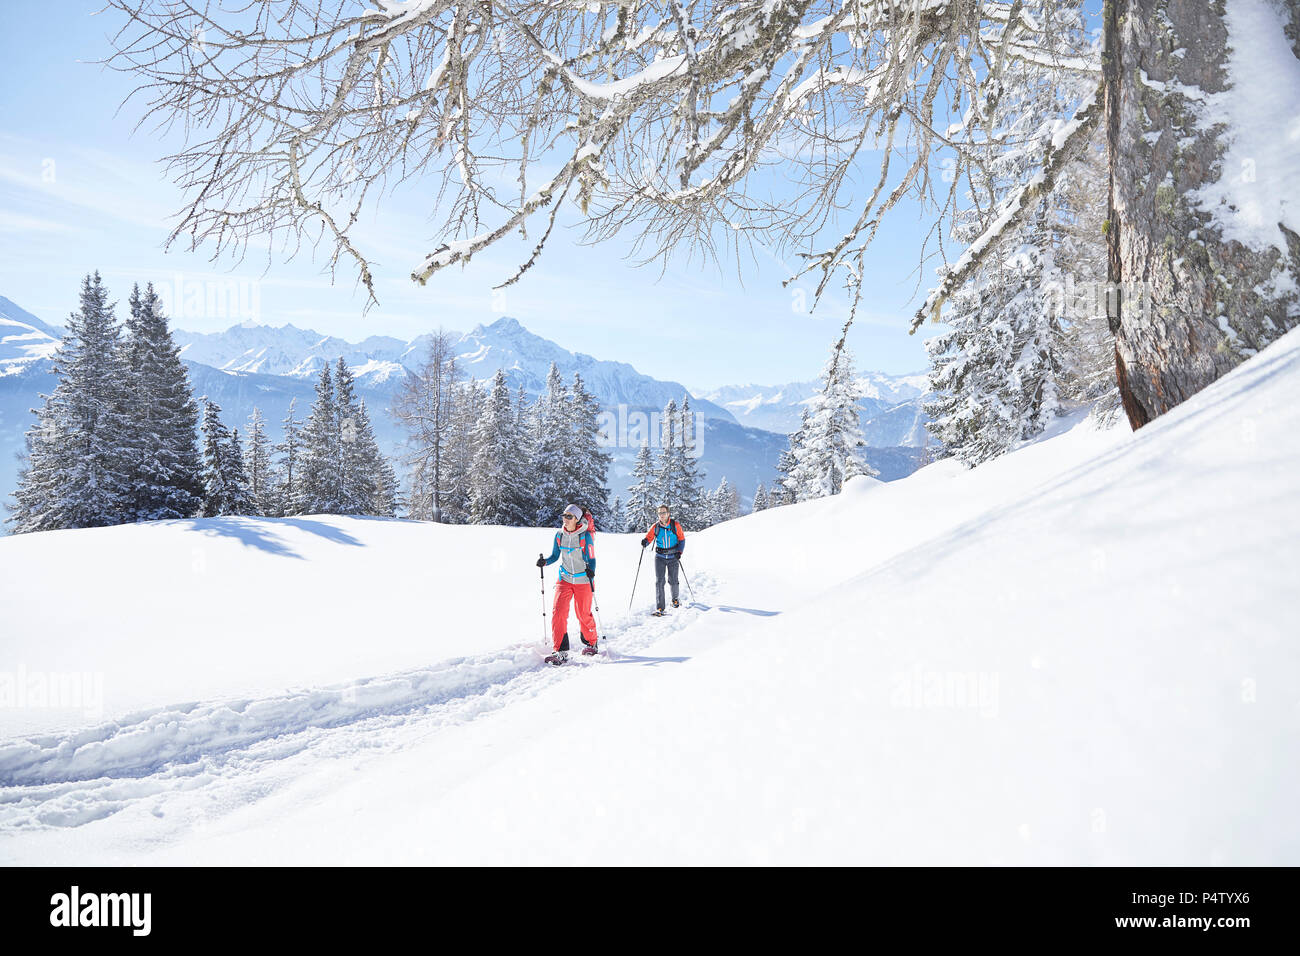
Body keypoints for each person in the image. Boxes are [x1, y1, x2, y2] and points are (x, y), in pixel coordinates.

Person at [536, 503, 598, 663]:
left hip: (583, 580)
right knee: (558, 612)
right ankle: (560, 651)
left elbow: (592, 559)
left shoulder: (585, 536)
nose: (565, 519)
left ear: (577, 519)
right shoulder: (559, 535)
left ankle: (591, 643)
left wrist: (591, 571)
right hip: (564, 579)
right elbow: (555, 556)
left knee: (583, 613)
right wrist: (545, 562)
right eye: (564, 515)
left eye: (569, 516)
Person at [642, 504, 686, 615]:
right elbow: (649, 537)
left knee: (673, 580)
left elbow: (681, 539)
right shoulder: (656, 527)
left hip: (673, 557)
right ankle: (660, 608)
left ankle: (675, 600)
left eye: (663, 512)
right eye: (659, 513)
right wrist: (645, 542)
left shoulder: (675, 525)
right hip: (660, 558)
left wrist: (679, 552)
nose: (661, 515)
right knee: (659, 582)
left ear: (668, 514)